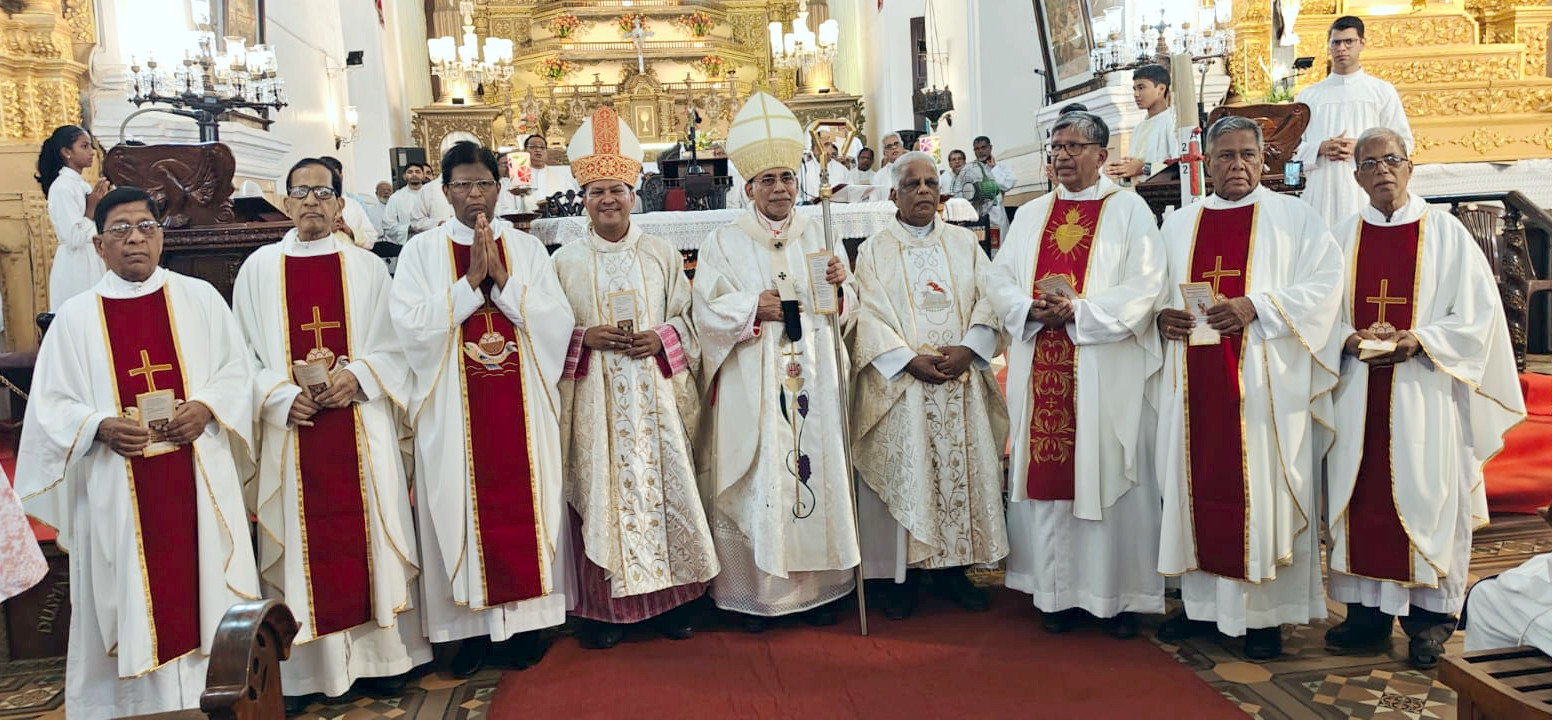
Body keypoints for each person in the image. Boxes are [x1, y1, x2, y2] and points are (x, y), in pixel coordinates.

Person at [15, 187, 261, 719]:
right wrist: (98, 425)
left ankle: (212, 698)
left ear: (161, 236)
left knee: (204, 587)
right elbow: (50, 407)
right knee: (130, 594)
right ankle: (129, 707)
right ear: (99, 245)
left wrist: (208, 407)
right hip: (117, 487)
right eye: (121, 229)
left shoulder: (199, 299)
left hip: (196, 473)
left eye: (145, 227)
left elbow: (236, 372)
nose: (135, 239)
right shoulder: (76, 318)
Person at [232, 159, 431, 711]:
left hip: (360, 424)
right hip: (292, 430)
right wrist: (275, 396)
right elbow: (238, 358)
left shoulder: (367, 269)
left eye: (323, 192)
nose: (312, 202)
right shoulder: (257, 271)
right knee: (300, 544)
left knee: (371, 532)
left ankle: (382, 660)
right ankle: (302, 674)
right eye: (302, 192)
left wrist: (360, 375)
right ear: (287, 202)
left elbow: (397, 348)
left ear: (341, 204)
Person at [1323, 128, 1524, 669]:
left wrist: (1421, 340)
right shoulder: (1341, 237)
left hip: (1426, 392)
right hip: (1358, 390)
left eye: (1392, 159)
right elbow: (1319, 312)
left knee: (1428, 494)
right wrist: (1344, 336)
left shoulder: (1446, 235)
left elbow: (1479, 317)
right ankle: (1365, 614)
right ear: (1356, 174)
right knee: (1361, 495)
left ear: (1410, 167)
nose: (1382, 169)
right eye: (1370, 162)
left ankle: (1429, 622)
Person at [1152, 115, 1344, 660]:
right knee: (1194, 487)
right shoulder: (1178, 226)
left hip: (1265, 385)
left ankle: (1264, 618)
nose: (1236, 165)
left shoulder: (1295, 219)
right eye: (1224, 156)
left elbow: (1325, 288)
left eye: (1246, 155)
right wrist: (1161, 319)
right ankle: (1202, 610)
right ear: (1206, 164)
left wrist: (1255, 305)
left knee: (1262, 491)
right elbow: (1155, 295)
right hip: (1192, 382)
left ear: (1265, 161)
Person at [389, 141, 574, 678]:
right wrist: (471, 284)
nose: (475, 195)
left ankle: (529, 623)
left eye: (485, 184)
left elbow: (555, 322)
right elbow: (410, 327)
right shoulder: (422, 253)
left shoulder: (529, 248)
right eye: (464, 185)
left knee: (530, 498)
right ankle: (465, 632)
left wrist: (505, 284)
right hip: (452, 404)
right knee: (454, 502)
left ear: (499, 187)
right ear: (444, 192)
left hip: (522, 400)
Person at [989, 112, 1167, 638]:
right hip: (1042, 363)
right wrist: (1027, 308)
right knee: (1051, 484)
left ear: (1100, 153)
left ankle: (1115, 597)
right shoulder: (1032, 214)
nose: (1061, 156)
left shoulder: (1130, 210)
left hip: (1101, 369)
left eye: (1073, 146)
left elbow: (1148, 284)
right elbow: (998, 277)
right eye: (1056, 146)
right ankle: (1056, 593)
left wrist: (1081, 312)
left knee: (1108, 471)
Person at [552, 107, 719, 649]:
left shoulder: (662, 254)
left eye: (618, 189)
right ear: (584, 199)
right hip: (596, 402)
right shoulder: (565, 263)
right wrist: (584, 339)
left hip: (656, 400)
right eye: (597, 190)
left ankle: (672, 604)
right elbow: (548, 333)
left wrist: (662, 338)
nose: (608, 199)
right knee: (604, 492)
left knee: (664, 488)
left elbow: (691, 320)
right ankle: (605, 612)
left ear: (634, 194)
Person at [692, 92, 860, 631]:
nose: (779, 189)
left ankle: (822, 591)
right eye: (767, 180)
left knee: (817, 467)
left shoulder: (821, 231)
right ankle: (760, 597)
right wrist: (751, 307)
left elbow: (849, 304)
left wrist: (841, 287)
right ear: (749, 188)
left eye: (787, 178)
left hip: (814, 367)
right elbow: (706, 309)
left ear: (799, 183)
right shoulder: (724, 240)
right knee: (765, 472)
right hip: (757, 376)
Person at [851, 151, 1009, 619]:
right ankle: (902, 579)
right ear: (893, 194)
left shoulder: (964, 244)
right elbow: (867, 315)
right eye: (913, 183)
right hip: (905, 387)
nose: (924, 190)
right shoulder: (873, 250)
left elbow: (990, 299)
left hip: (960, 383)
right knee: (911, 473)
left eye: (931, 183)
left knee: (961, 476)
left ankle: (954, 572)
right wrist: (906, 360)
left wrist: (969, 349)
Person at [1293, 15, 1413, 228]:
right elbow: (1290, 153)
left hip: (1366, 189)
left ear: (1362, 44)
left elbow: (1404, 144)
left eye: (1349, 42)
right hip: (1322, 190)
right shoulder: (1308, 96)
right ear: (1329, 46)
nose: (1342, 48)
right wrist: (1320, 148)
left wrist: (1362, 147)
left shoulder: (1381, 91)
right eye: (1336, 42)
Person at [36, 125, 110, 310]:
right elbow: (74, 238)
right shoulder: (62, 187)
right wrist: (92, 209)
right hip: (75, 265)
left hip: (91, 258)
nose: (92, 152)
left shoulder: (80, 185)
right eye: (84, 146)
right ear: (66, 152)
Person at [1106, 64, 1177, 183]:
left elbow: (1178, 165)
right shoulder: (1138, 129)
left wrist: (1143, 168)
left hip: (1166, 194)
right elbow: (1135, 168)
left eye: (1141, 88)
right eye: (1134, 89)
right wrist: (1124, 171)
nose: (1136, 94)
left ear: (1161, 89)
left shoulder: (1174, 121)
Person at [318, 156, 380, 250]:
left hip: (352, 260)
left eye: (335, 176)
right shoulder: (311, 205)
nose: (331, 181)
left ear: (341, 177)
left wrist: (349, 231)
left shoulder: (353, 205)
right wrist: (327, 231)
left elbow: (372, 238)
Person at [514, 134, 582, 214]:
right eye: (533, 147)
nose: (538, 150)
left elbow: (573, 202)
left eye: (542, 147)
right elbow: (506, 208)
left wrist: (558, 209)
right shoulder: (517, 177)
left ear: (546, 152)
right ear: (525, 151)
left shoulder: (560, 178)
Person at [966, 136, 1016, 239]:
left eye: (983, 147)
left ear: (990, 148)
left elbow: (1007, 185)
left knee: (997, 250)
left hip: (997, 216)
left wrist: (994, 169)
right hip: (977, 218)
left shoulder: (1001, 166)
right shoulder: (970, 169)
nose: (980, 151)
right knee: (980, 249)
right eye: (977, 149)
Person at [383, 163, 436, 246]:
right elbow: (388, 226)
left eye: (418, 172)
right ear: (404, 176)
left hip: (432, 242)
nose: (414, 174)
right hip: (408, 243)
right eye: (410, 172)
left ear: (423, 175)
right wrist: (409, 229)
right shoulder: (396, 198)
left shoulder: (433, 195)